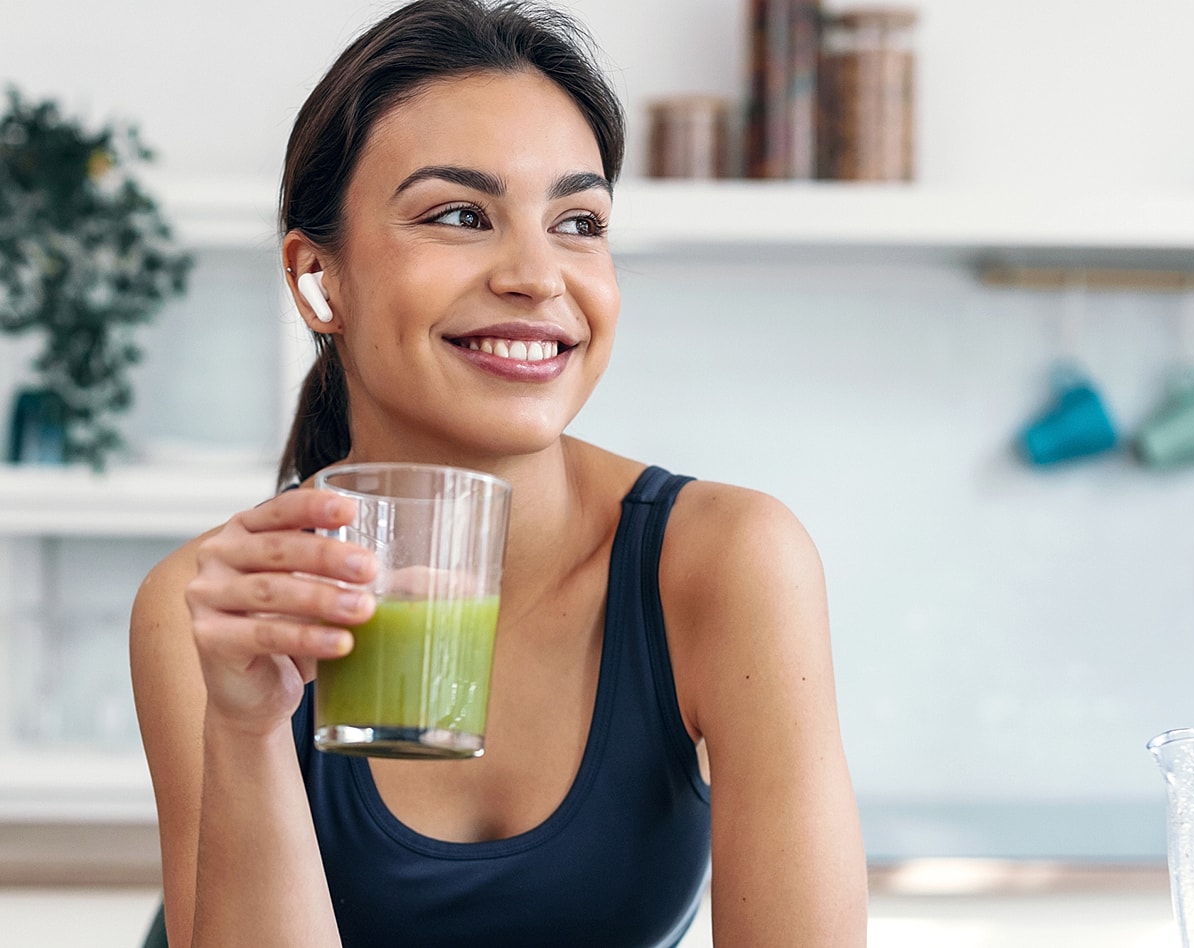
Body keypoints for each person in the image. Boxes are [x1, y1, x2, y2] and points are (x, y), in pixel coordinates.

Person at [127, 1, 868, 945]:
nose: (537, 274)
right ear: (320, 279)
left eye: (578, 220)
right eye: (459, 214)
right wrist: (246, 730)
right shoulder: (215, 607)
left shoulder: (726, 562)